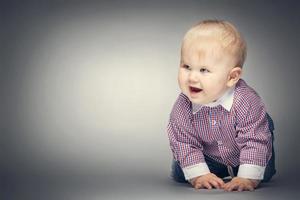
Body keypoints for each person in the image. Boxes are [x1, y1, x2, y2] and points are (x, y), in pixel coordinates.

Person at [167, 19, 276, 192]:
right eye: (187, 66)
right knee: (181, 174)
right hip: (208, 156)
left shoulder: (246, 101)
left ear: (232, 77)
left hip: (245, 150)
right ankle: (203, 170)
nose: (192, 78)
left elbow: (254, 139)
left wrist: (247, 177)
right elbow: (183, 142)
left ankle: (248, 169)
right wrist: (199, 174)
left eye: (204, 70)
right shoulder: (182, 107)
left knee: (261, 168)